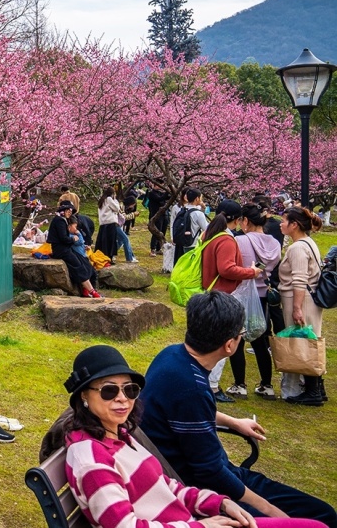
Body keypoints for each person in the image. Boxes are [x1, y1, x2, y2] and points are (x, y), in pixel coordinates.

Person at [63, 344, 325, 528]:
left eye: (129, 390)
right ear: (84, 396)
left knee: (316, 524)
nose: (122, 398)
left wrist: (220, 504)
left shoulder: (119, 434)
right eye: (109, 391)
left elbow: (169, 487)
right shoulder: (93, 459)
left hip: (192, 519)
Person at [140, 291, 337, 526]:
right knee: (321, 518)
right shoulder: (190, 387)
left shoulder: (171, 355)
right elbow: (210, 472)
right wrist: (268, 508)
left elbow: (184, 414)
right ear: (230, 345)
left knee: (321, 511)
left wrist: (233, 422)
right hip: (207, 491)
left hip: (209, 475)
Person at [200, 199, 263, 403]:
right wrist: (250, 272)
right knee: (222, 343)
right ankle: (212, 386)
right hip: (224, 295)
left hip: (210, 292)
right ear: (237, 220)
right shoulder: (226, 240)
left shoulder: (209, 235)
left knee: (209, 340)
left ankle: (206, 382)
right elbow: (226, 268)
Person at [226, 202, 282, 400]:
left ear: (246, 221)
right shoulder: (275, 244)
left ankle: (239, 384)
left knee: (237, 338)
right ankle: (266, 384)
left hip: (241, 294)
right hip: (263, 295)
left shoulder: (239, 241)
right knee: (260, 339)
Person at [277, 207, 326, 406]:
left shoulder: (297, 248)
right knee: (309, 339)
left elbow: (299, 279)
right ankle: (316, 387)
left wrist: (296, 307)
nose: (280, 224)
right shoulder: (308, 243)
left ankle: (313, 390)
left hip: (300, 298)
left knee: (303, 341)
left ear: (294, 225)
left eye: (284, 220)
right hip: (308, 297)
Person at [47, 202, 100, 299]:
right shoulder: (59, 221)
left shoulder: (62, 220)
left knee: (82, 263)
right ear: (63, 211)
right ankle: (91, 291)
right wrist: (73, 239)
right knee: (77, 265)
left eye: (70, 211)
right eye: (68, 211)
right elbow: (63, 238)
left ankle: (87, 290)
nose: (69, 213)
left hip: (65, 249)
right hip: (61, 250)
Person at [173, 188, 208, 264]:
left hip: (182, 241)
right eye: (200, 197)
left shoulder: (183, 209)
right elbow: (206, 228)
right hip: (193, 243)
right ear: (197, 199)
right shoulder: (198, 214)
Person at [143, 180, 171, 257]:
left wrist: (170, 193)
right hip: (156, 215)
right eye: (161, 185)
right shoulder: (152, 193)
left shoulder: (160, 192)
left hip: (164, 214)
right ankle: (153, 249)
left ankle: (159, 248)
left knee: (163, 231)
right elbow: (160, 199)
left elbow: (166, 197)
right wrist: (167, 192)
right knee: (156, 232)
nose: (162, 187)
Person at [96, 186, 121, 260]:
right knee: (111, 241)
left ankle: (102, 256)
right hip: (110, 223)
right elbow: (117, 208)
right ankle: (109, 257)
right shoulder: (109, 199)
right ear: (112, 193)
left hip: (103, 223)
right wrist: (115, 200)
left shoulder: (102, 200)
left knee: (103, 242)